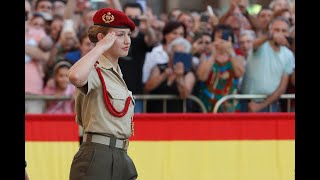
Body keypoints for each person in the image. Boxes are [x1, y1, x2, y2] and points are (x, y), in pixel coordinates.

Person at [68, 7, 137, 180]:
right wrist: (99, 48)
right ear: (102, 38)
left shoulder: (117, 73)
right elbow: (75, 76)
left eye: (128, 35)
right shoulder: (94, 69)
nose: (127, 40)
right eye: (120, 35)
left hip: (121, 154)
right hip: (98, 155)